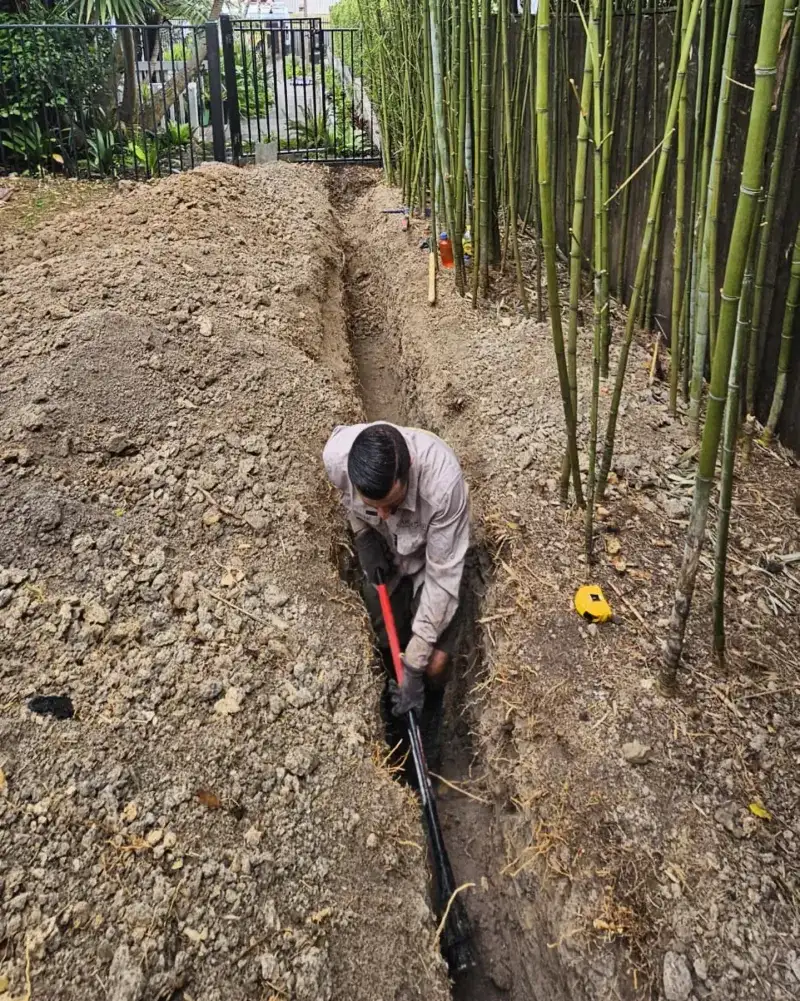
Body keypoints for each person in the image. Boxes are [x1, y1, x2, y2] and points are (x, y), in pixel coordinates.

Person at [323, 422, 470, 731]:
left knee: (435, 664)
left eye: (393, 504)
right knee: (382, 630)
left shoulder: (443, 487)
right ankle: (392, 691)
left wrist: (415, 669)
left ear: (410, 470)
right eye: (374, 506)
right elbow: (349, 504)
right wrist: (364, 537)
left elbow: (442, 581)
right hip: (387, 552)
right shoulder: (337, 459)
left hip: (432, 565)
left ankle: (432, 717)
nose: (385, 514)